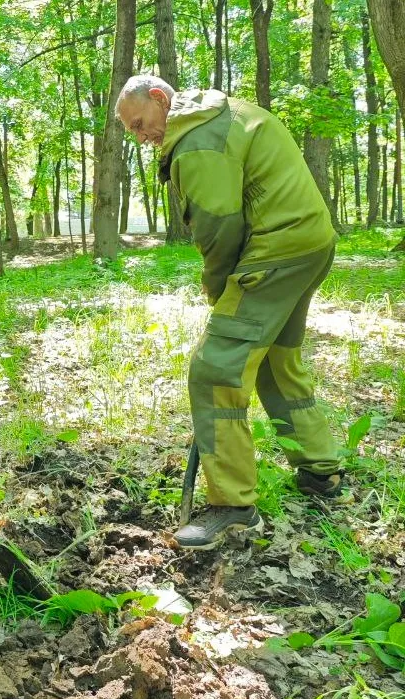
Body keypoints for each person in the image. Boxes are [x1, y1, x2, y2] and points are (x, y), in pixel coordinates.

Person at [115, 75, 346, 550]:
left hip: (275, 250)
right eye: (132, 132)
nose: (141, 137)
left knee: (215, 369)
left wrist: (220, 292)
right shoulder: (226, 112)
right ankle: (321, 471)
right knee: (277, 358)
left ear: (160, 100)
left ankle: (233, 507)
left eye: (140, 123)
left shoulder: (198, 140)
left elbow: (219, 228)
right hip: (310, 241)